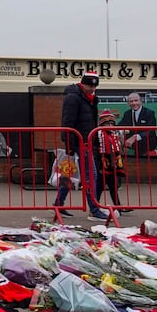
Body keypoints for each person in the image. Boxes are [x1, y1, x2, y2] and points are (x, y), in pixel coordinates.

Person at [60, 71, 110, 220]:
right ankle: (94, 210)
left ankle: (58, 203)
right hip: (80, 142)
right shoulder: (74, 98)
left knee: (69, 174)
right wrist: (69, 143)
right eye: (89, 85)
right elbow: (67, 122)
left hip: (85, 141)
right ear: (83, 83)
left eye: (94, 86)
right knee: (90, 175)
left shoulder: (90, 98)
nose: (92, 89)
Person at [94, 110, 131, 212]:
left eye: (112, 123)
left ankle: (118, 206)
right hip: (102, 164)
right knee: (99, 186)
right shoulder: (97, 134)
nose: (110, 125)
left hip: (112, 164)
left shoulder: (114, 135)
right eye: (107, 124)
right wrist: (98, 164)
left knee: (113, 186)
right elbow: (95, 150)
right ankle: (94, 208)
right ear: (102, 124)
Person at [120, 92, 157, 157]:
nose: (134, 103)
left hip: (147, 143)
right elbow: (120, 125)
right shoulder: (127, 113)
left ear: (141, 101)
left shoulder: (149, 113)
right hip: (133, 144)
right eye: (131, 101)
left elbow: (151, 130)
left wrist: (135, 137)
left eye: (136, 100)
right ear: (128, 103)